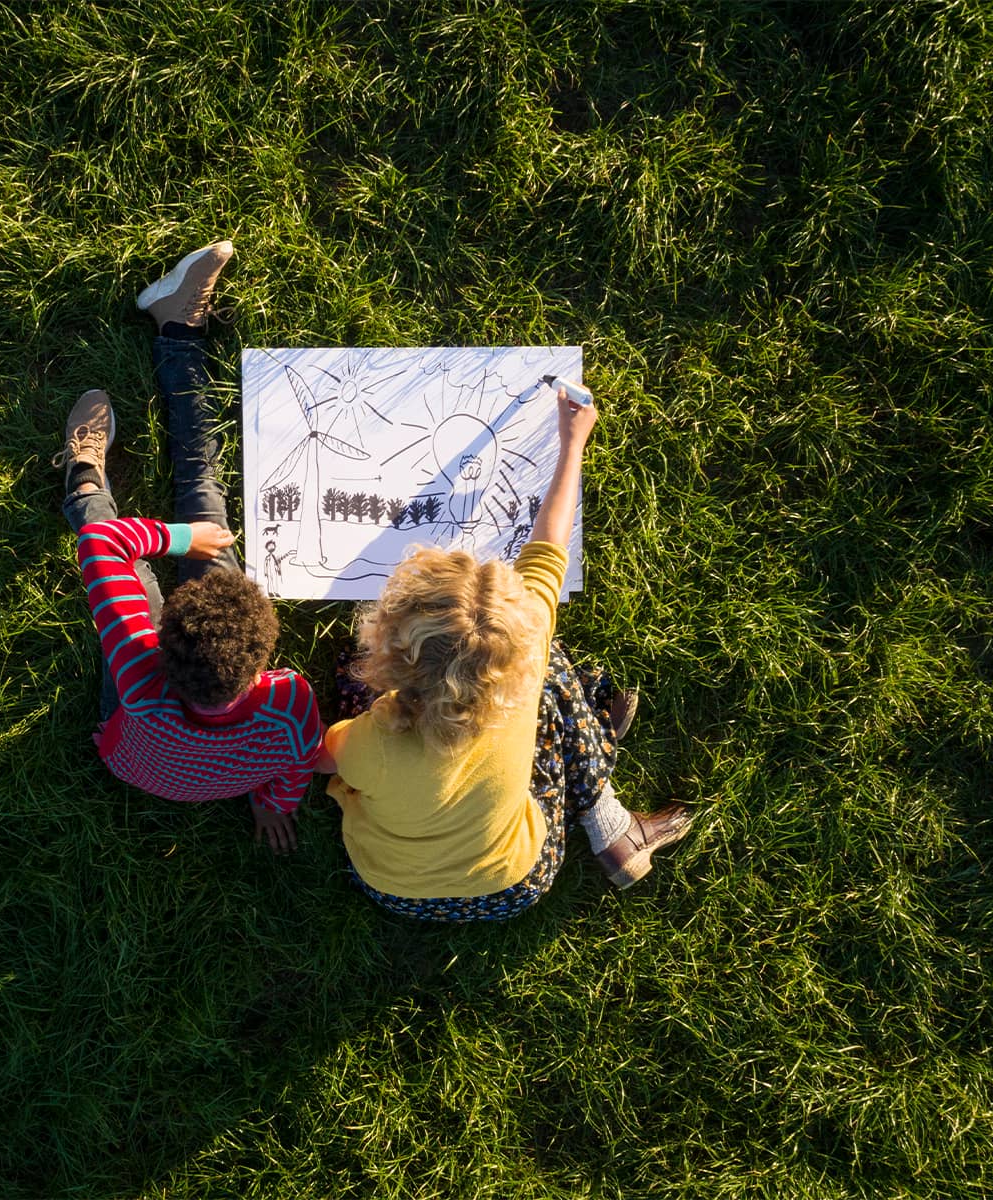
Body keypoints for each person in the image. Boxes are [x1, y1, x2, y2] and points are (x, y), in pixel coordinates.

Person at [316, 385, 694, 920]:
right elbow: (549, 546)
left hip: (391, 890)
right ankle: (607, 822)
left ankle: (611, 822)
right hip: (516, 885)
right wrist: (573, 445)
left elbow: (316, 755)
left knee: (344, 677)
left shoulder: (374, 738)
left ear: (391, 648)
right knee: (549, 668)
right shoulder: (529, 643)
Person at [56, 240, 322, 853]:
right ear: (265, 669)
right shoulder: (288, 702)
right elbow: (298, 763)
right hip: (177, 769)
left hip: (130, 739)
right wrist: (272, 804)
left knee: (171, 520)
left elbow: (102, 544)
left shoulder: (136, 664)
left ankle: (83, 477)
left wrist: (182, 540)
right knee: (202, 493)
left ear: (160, 634)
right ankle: (177, 326)